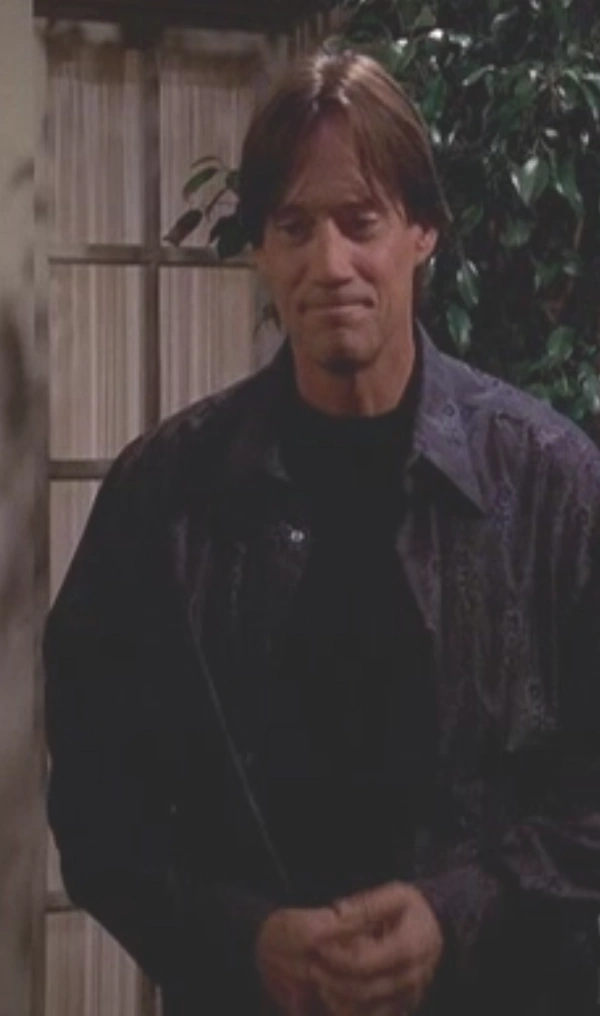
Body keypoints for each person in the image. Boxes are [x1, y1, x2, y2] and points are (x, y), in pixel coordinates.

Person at [44, 51, 600, 1016]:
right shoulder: (166, 498)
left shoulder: (550, 486)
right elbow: (98, 813)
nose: (328, 264)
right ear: (261, 248)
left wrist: (457, 914)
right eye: (294, 227)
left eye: (360, 221)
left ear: (422, 230)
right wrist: (243, 939)